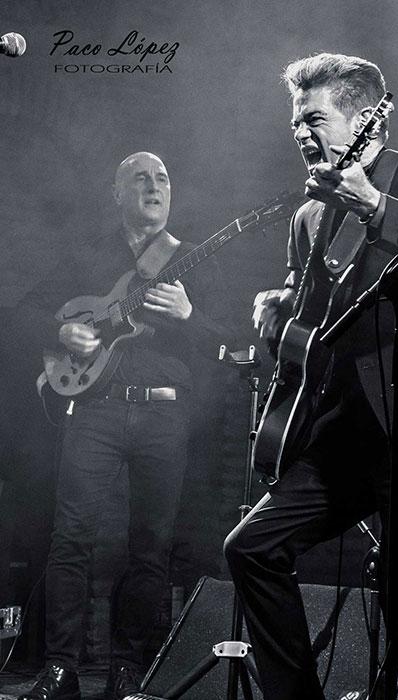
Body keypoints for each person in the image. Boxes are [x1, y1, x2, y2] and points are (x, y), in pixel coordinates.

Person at [224, 53, 398, 700]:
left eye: (314, 118)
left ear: (363, 119)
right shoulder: (309, 215)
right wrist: (278, 309)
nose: (300, 132)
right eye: (295, 121)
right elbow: (311, 315)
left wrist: (375, 204)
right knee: (252, 548)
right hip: (351, 428)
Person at [16, 152, 235, 700]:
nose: (154, 186)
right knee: (70, 537)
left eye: (163, 178)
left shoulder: (192, 259)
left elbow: (229, 343)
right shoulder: (89, 253)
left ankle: (128, 670)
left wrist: (189, 317)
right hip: (96, 410)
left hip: (164, 414)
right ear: (118, 193)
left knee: (151, 546)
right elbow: (22, 313)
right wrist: (60, 332)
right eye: (141, 178)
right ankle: (60, 670)